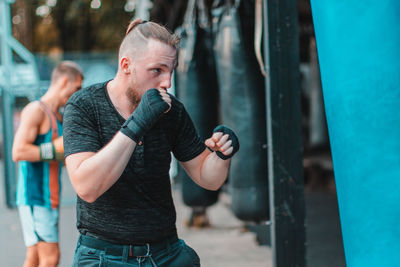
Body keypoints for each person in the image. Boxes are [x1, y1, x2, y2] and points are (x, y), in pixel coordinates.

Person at [63, 19, 239, 267]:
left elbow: (206, 177)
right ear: (127, 65)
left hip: (165, 252)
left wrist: (222, 154)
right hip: (106, 257)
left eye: (171, 71)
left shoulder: (171, 110)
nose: (167, 82)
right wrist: (137, 123)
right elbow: (87, 186)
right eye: (157, 70)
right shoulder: (84, 106)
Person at [12, 61, 83, 267]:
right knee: (51, 258)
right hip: (36, 197)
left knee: (34, 258)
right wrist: (54, 150)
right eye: (76, 88)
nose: (76, 94)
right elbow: (18, 151)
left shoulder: (58, 116)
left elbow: (59, 154)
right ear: (63, 81)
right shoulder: (36, 110)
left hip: (49, 197)